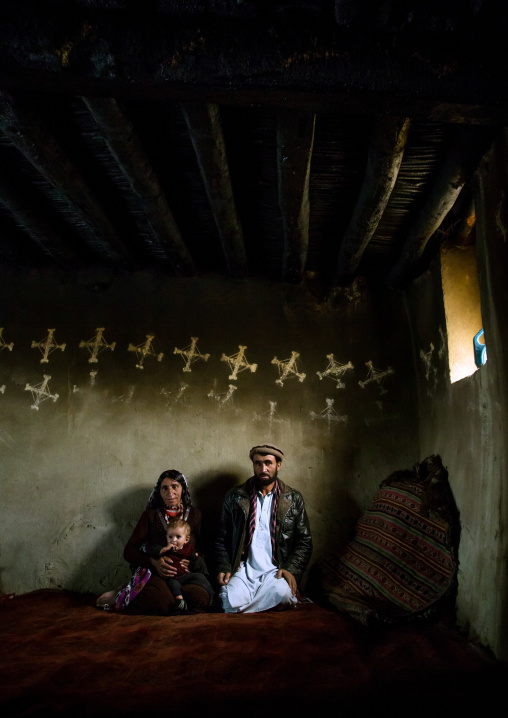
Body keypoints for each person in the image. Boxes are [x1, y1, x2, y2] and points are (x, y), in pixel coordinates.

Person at [215, 443, 312, 613]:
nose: (263, 468)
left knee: (284, 596)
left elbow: (304, 541)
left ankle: (246, 608)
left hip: (276, 571)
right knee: (226, 602)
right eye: (258, 463)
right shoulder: (235, 496)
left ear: (278, 465)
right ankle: (262, 605)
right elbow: (221, 538)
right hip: (243, 569)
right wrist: (224, 566)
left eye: (268, 463)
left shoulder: (293, 499)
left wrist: (291, 569)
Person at [97, 469, 211, 614]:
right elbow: (129, 551)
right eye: (165, 488)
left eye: (175, 486)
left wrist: (194, 561)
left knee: (200, 598)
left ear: (183, 489)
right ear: (159, 491)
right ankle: (123, 592)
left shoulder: (195, 515)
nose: (170, 492)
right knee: (159, 601)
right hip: (157, 573)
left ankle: (174, 601)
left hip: (186, 574)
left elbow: (205, 548)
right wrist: (154, 562)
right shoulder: (151, 515)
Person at [150, 518, 214, 612]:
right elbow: (153, 550)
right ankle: (180, 601)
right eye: (170, 537)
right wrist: (163, 550)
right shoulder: (165, 548)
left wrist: (193, 562)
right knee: (173, 585)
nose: (173, 540)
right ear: (166, 537)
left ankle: (213, 595)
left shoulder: (188, 549)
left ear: (186, 539)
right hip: (172, 576)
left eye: (178, 537)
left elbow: (196, 561)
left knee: (200, 577)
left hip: (185, 575)